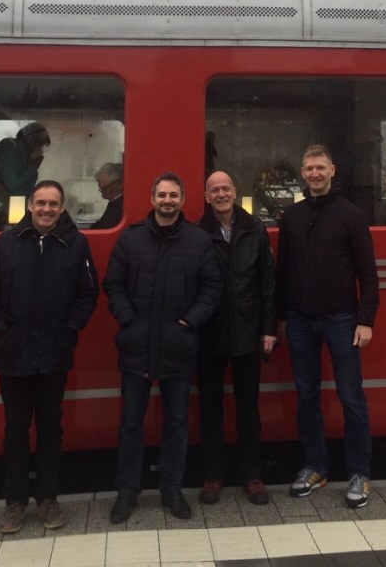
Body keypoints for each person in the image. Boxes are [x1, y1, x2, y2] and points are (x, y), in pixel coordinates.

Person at [0, 180, 98, 534]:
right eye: (41, 203)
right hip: (13, 354)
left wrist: (70, 328)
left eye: (53, 204)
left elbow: (88, 294)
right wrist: (1, 326)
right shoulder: (5, 244)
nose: (46, 209)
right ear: (30, 206)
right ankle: (15, 503)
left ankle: (48, 499)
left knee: (50, 429)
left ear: (62, 208)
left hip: (54, 354)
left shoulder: (76, 245)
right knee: (15, 430)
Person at [103, 172, 221, 524]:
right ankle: (127, 492)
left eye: (173, 196)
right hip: (136, 345)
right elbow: (113, 284)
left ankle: (172, 490)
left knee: (177, 422)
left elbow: (211, 287)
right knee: (130, 423)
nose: (167, 201)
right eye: (162, 195)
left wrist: (189, 322)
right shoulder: (130, 238)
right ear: (152, 199)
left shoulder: (199, 241)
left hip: (177, 345)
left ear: (182, 200)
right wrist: (129, 321)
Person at [275, 145, 379, 509]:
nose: (315, 173)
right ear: (302, 174)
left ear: (332, 170)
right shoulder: (291, 216)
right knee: (306, 396)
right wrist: (281, 316)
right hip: (299, 320)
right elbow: (283, 272)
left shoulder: (351, 215)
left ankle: (359, 474)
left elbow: (368, 273)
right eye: (309, 168)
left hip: (342, 320)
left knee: (351, 397)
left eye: (320, 167)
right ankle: (316, 468)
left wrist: (366, 320)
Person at [195, 171, 277, 506]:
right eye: (214, 190)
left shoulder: (254, 228)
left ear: (234, 191)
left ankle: (252, 476)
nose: (220, 194)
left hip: (247, 331)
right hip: (209, 333)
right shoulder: (197, 233)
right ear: (206, 196)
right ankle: (213, 475)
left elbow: (267, 282)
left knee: (248, 410)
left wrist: (268, 329)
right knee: (209, 409)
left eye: (225, 188)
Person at [0, 122, 51, 199]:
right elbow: (12, 185)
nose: (40, 150)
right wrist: (32, 167)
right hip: (2, 203)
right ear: (33, 141)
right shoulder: (12, 151)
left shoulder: (24, 156)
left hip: (14, 204)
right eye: (40, 145)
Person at [91, 162, 124, 229]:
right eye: (101, 190)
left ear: (118, 184)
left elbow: (104, 227)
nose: (103, 196)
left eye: (105, 189)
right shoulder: (114, 204)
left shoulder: (119, 207)